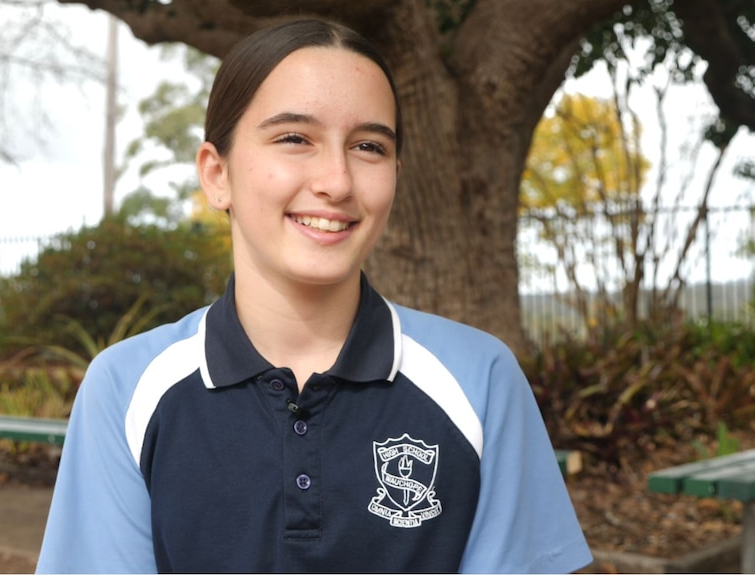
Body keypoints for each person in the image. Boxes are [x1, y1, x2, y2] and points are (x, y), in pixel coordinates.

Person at [36, 17, 593, 574]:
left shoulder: (482, 380)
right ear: (216, 173)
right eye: (295, 138)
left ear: (396, 173)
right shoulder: (125, 389)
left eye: (369, 146)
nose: (338, 181)